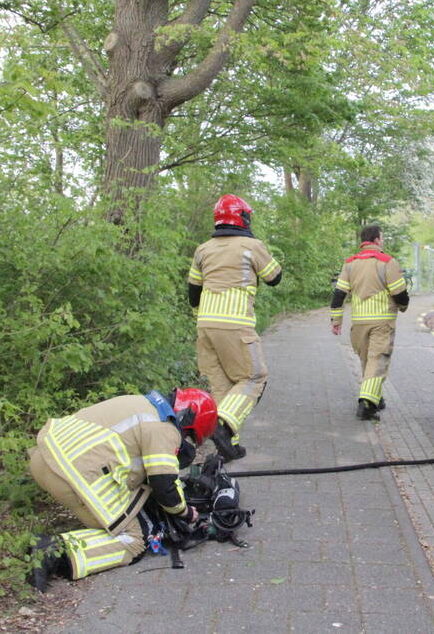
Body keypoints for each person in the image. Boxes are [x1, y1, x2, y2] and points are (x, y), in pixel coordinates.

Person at [26, 388, 217, 591]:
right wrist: (185, 512)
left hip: (45, 459)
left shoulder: (142, 405)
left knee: (129, 508)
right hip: (71, 474)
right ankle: (53, 551)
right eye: (188, 436)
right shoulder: (164, 427)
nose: (184, 441)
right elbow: (164, 486)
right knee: (134, 540)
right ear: (188, 419)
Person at [187, 194, 282, 461]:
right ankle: (222, 425)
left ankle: (229, 446)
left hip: (205, 325)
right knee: (254, 378)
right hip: (236, 325)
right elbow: (274, 277)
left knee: (222, 385)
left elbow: (193, 292)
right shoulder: (252, 245)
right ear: (242, 217)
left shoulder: (203, 249)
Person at [330, 225, 409, 420]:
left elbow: (339, 295)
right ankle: (366, 403)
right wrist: (404, 306)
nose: (382, 242)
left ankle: (377, 398)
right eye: (381, 238)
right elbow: (400, 293)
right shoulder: (387, 262)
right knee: (377, 360)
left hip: (358, 323)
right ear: (376, 240)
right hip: (382, 321)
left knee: (367, 360)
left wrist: (336, 320)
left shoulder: (350, 263)